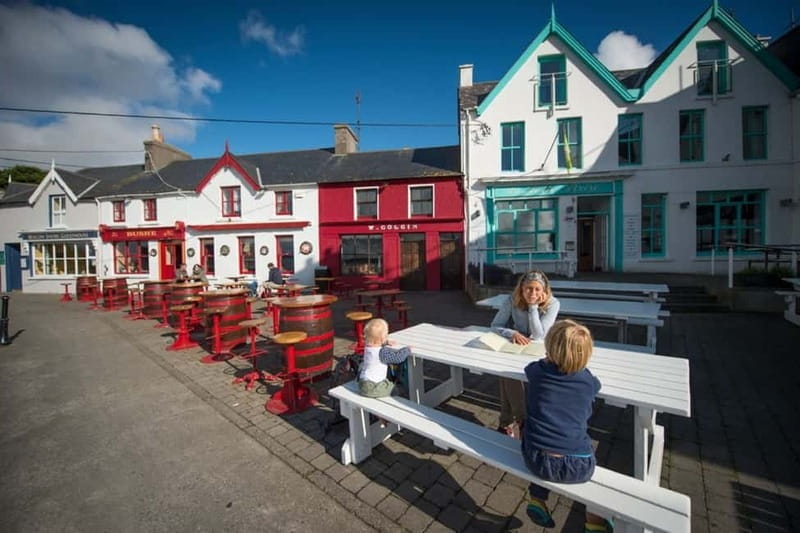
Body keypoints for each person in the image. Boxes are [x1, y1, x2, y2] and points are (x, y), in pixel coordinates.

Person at [521, 319, 611, 532]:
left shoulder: (538, 372)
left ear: (549, 348)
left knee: (539, 437)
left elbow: (529, 368)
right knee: (589, 454)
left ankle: (537, 499)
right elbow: (596, 385)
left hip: (537, 459)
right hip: (578, 465)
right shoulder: (588, 381)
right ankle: (594, 522)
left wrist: (547, 361)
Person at [490, 270, 560, 436]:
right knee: (506, 372)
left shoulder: (553, 303)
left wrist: (533, 307)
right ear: (521, 289)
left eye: (537, 289)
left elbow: (538, 335)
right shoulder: (511, 300)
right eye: (528, 289)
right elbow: (495, 325)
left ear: (544, 290)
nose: (532, 293)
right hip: (517, 347)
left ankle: (507, 422)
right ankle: (520, 421)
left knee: (507, 376)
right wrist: (511, 333)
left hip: (542, 352)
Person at [358, 318, 411, 398]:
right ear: (382, 338)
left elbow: (376, 341)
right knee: (397, 388)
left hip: (362, 384)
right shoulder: (382, 352)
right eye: (386, 335)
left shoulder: (368, 348)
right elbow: (398, 358)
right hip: (374, 387)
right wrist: (407, 350)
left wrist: (385, 342)